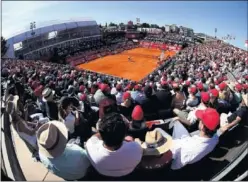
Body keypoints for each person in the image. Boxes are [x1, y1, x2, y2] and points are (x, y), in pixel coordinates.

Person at [85, 112, 143, 177]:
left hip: (103, 173)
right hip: (128, 173)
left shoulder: (90, 146)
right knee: (130, 138)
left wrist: (104, 130)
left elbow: (94, 137)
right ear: (124, 135)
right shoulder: (136, 148)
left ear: (101, 133)